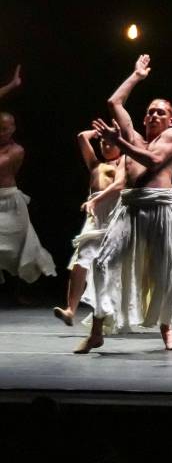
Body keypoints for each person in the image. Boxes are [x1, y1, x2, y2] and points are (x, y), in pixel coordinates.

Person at [78, 55, 172, 353]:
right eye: (150, 113)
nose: (155, 116)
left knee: (164, 271)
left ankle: (167, 329)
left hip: (161, 207)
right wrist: (135, 76)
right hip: (130, 207)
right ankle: (97, 330)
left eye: (161, 113)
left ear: (170, 119)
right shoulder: (133, 136)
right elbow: (114, 103)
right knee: (104, 262)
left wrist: (120, 143)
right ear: (144, 119)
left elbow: (153, 161)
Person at [53, 128, 124, 325]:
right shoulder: (95, 164)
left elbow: (119, 185)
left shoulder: (124, 162)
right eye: (103, 142)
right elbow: (81, 137)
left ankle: (115, 312)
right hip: (94, 215)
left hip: (115, 212)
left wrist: (116, 135)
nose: (106, 145)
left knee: (113, 266)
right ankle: (70, 309)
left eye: (110, 142)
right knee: (81, 261)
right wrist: (99, 132)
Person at [0, 65, 56, 292]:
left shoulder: (17, 151)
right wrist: (11, 86)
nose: (1, 132)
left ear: (12, 128)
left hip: (11, 202)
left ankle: (23, 290)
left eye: (5, 128)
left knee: (23, 248)